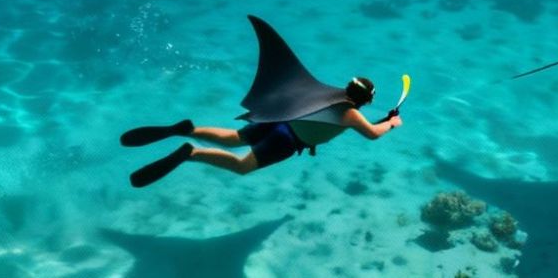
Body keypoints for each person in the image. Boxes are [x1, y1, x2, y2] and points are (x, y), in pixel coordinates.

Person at [122, 75, 401, 187]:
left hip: (276, 120)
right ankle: (191, 154)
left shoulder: (327, 93)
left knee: (234, 138)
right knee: (242, 166)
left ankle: (189, 130)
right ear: (367, 100)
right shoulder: (351, 114)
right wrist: (391, 123)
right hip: (286, 139)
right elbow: (371, 133)